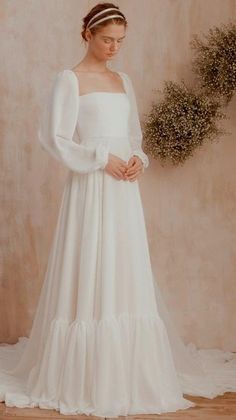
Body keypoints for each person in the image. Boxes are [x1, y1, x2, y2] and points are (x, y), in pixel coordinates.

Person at [0, 2, 236, 418]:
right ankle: (84, 374)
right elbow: (53, 137)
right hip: (91, 184)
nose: (113, 48)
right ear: (87, 35)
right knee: (90, 263)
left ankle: (127, 369)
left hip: (124, 189)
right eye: (107, 39)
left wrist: (137, 161)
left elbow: (134, 136)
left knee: (124, 268)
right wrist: (100, 156)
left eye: (120, 42)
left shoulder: (123, 80)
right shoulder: (69, 80)